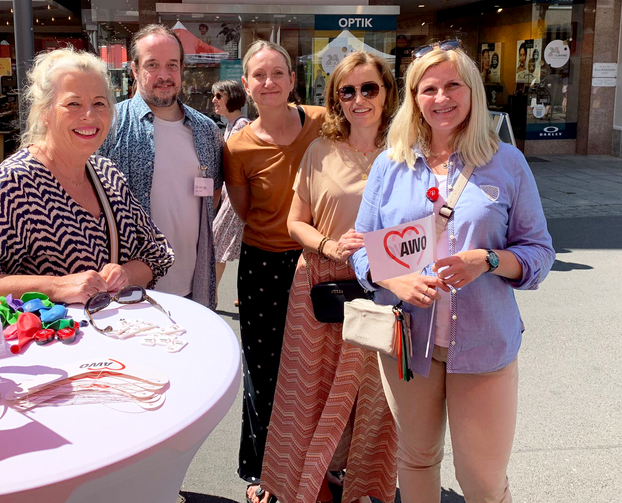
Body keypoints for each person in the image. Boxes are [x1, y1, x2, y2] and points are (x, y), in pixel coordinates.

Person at [351, 43, 555, 503]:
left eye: (452, 85)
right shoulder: (390, 164)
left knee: (481, 480)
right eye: (429, 88)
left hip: (484, 346)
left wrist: (486, 260)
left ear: (472, 91)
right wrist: (393, 278)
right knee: (417, 461)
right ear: (413, 97)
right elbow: (362, 251)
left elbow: (540, 252)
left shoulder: (507, 163)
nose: (441, 97)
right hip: (409, 343)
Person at [0, 48, 174, 309]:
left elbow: (157, 253)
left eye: (99, 103)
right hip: (49, 345)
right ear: (45, 112)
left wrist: (126, 274)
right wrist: (55, 287)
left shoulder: (108, 173)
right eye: (73, 104)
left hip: (113, 340)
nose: (90, 116)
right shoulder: (14, 184)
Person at [261, 51, 399, 503]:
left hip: (383, 285)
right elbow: (295, 222)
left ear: (386, 93)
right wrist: (328, 245)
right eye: (348, 90)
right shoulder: (320, 149)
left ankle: (361, 483)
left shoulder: (404, 152)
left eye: (369, 88)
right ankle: (307, 482)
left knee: (374, 394)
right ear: (336, 98)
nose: (359, 99)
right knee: (310, 391)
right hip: (322, 283)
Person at [224, 40, 326, 503]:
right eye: (259, 75)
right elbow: (246, 213)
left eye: (277, 73)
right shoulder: (238, 145)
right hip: (264, 262)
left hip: (321, 260)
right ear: (246, 85)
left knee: (319, 368)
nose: (269, 82)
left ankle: (322, 463)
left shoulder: (324, 122)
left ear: (292, 79)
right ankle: (264, 468)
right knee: (264, 371)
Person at [99, 24, 223, 309]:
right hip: (127, 291)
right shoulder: (110, 125)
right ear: (134, 70)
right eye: (152, 65)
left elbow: (213, 194)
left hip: (193, 286)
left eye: (171, 65)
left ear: (182, 68)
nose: (164, 76)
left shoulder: (205, 130)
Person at [211, 80, 250, 306]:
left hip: (236, 198)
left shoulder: (241, 126)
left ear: (231, 97)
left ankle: (211, 295)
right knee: (244, 247)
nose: (214, 100)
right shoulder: (231, 125)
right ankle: (244, 293)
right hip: (231, 196)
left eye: (219, 95)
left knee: (216, 244)